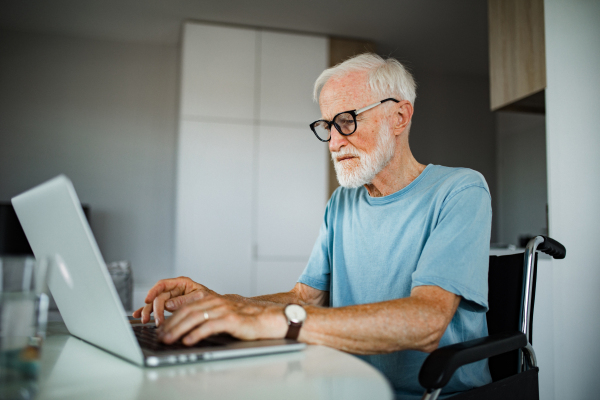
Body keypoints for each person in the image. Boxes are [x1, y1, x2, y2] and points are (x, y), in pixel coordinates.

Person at [133, 53, 492, 399]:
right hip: (343, 385)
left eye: (347, 120)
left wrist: (279, 323)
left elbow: (427, 320)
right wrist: (223, 304)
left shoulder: (459, 191)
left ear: (399, 116)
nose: (335, 142)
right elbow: (305, 298)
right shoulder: (341, 203)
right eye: (327, 125)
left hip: (435, 394)